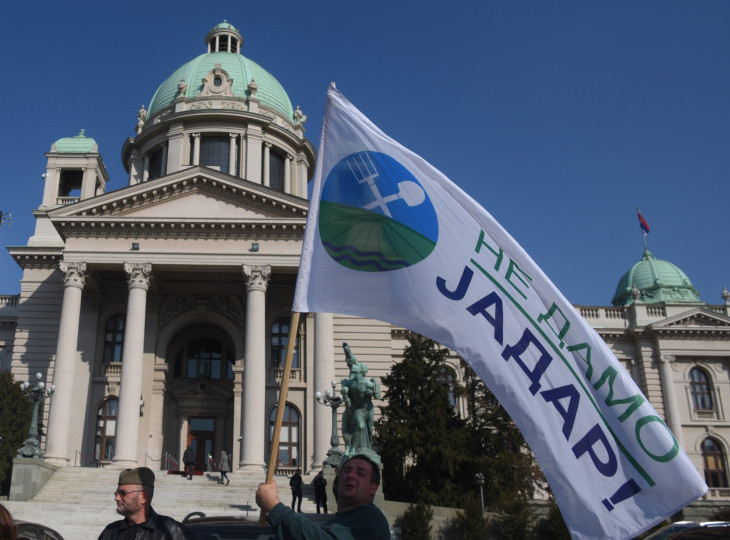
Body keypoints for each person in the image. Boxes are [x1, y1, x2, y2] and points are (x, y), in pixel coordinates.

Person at [256, 454, 390, 540]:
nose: (351, 475)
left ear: (374, 488)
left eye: (360, 473)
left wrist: (274, 506)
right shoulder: (347, 517)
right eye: (347, 470)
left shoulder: (371, 519)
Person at [98, 467, 194, 539]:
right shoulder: (110, 532)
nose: (117, 498)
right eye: (117, 493)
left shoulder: (173, 532)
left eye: (123, 493)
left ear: (143, 497)